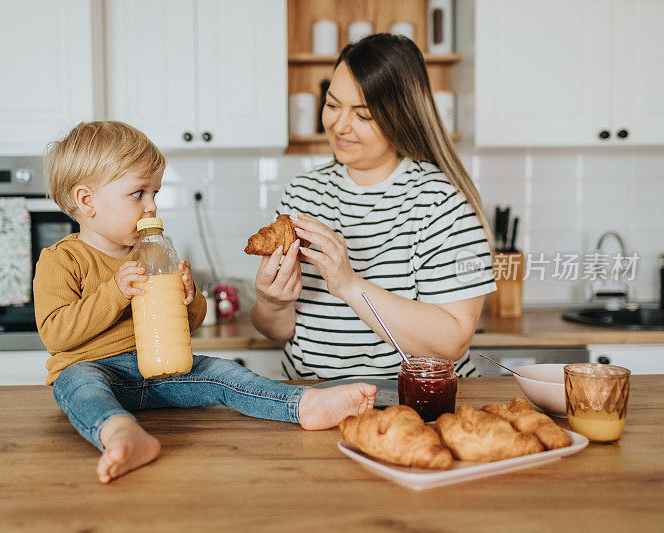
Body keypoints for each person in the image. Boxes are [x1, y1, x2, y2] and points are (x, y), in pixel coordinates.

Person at [34, 121, 377, 484]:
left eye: (155, 193)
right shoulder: (62, 259)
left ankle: (303, 404)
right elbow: (56, 335)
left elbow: (190, 324)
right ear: (88, 201)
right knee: (77, 383)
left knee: (222, 372)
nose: (151, 206)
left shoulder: (152, 251)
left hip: (162, 371)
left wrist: (189, 296)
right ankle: (120, 433)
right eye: (138, 193)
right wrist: (115, 293)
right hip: (98, 370)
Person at [251, 34, 497, 380]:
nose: (339, 125)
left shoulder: (441, 202)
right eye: (333, 105)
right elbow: (279, 330)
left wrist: (349, 284)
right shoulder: (303, 193)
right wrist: (271, 302)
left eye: (363, 114)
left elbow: (454, 340)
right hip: (312, 400)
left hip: (408, 405)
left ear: (402, 117)